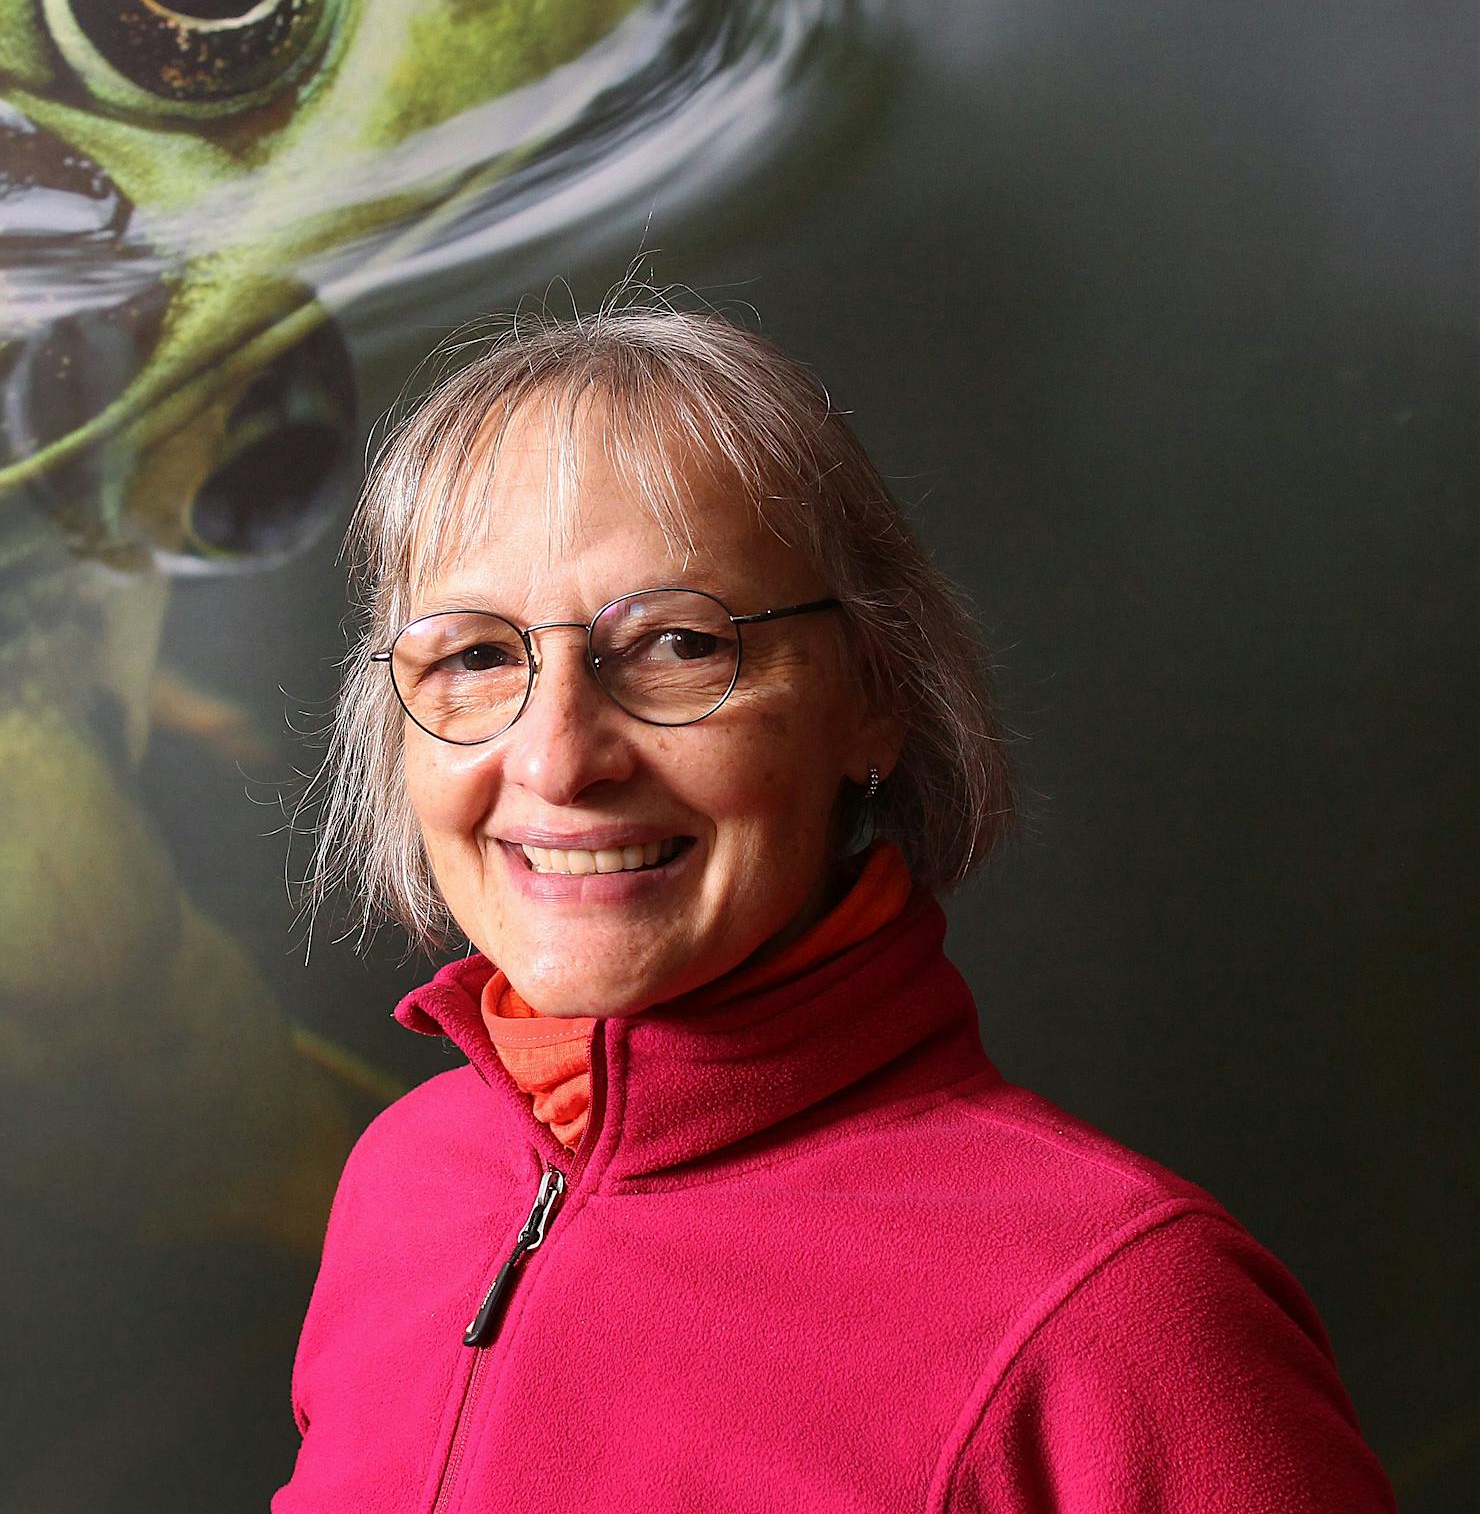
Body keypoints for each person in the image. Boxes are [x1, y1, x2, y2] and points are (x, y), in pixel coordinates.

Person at [274, 297, 1395, 1511]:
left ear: (872, 692)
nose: (555, 759)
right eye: (476, 655)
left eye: (676, 644)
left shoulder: (1114, 1312)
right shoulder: (408, 1179)